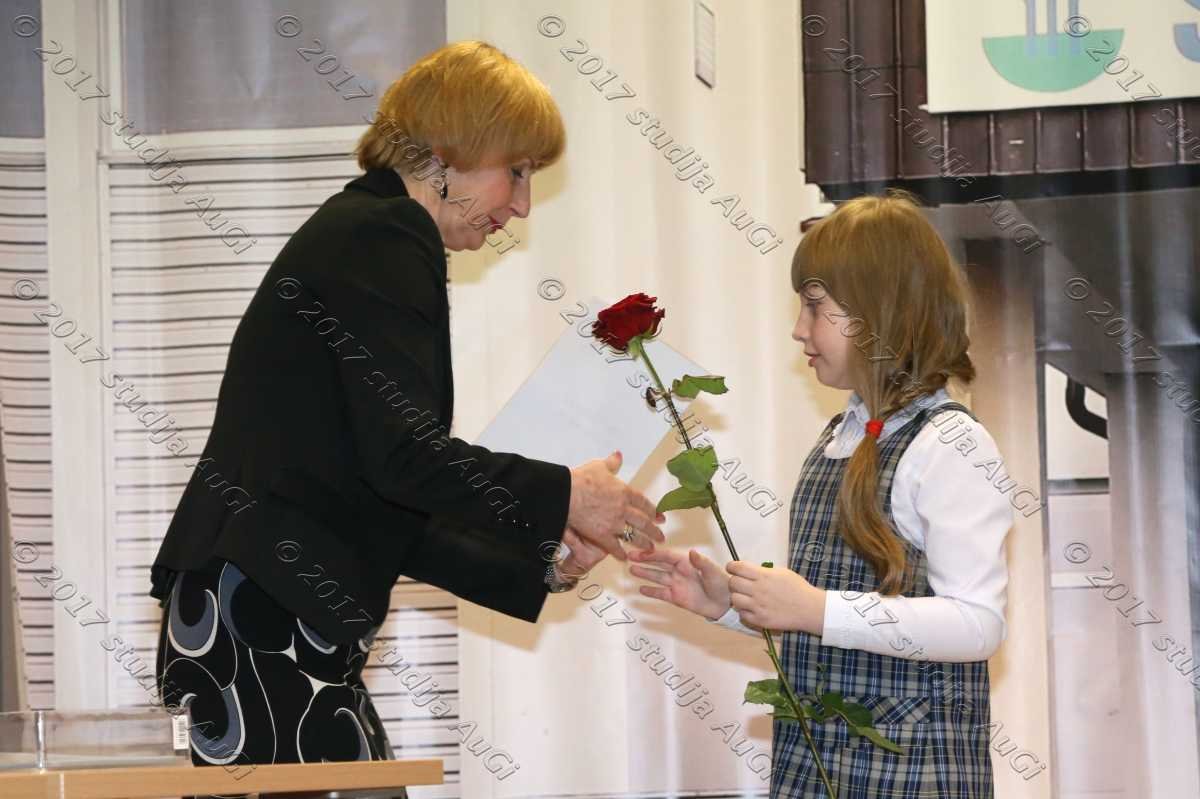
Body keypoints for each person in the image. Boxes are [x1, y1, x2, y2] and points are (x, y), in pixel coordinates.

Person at [149, 41, 665, 797]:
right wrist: (565, 494)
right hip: (264, 614)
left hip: (262, 610)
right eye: (517, 171)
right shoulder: (385, 236)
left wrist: (543, 559)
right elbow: (406, 460)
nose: (522, 205)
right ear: (451, 153)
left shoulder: (369, 231)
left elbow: (383, 492)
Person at [629, 190, 1014, 797]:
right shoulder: (840, 434)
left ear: (879, 312)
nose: (798, 329)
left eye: (815, 306)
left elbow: (977, 625)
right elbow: (834, 623)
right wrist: (734, 604)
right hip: (816, 769)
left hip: (912, 777)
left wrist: (815, 609)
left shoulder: (951, 444)